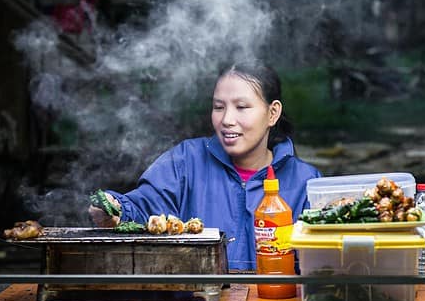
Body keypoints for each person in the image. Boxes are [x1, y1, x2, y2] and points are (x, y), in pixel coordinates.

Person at [88, 61, 321, 271]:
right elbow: (143, 209)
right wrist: (115, 209)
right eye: (219, 107)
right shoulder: (185, 162)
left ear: (273, 113)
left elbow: (320, 261)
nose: (227, 119)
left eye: (241, 107)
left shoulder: (305, 182)